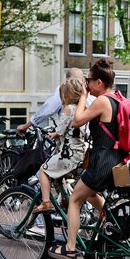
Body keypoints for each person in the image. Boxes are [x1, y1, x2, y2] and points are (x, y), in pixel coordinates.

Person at [48, 58, 125, 259]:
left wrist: (82, 96)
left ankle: (70, 249)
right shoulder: (117, 99)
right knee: (89, 194)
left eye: (89, 80)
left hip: (102, 162)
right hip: (114, 161)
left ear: (99, 83)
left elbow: (77, 120)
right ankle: (110, 221)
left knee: (74, 199)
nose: (87, 84)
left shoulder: (102, 101)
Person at [32, 78, 88, 214]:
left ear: (67, 95)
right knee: (57, 175)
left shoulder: (68, 108)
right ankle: (64, 199)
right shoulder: (83, 109)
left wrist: (54, 133)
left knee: (43, 171)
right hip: (80, 153)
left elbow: (61, 128)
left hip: (68, 154)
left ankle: (46, 202)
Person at [17, 67, 92, 133]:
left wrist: (26, 126)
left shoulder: (67, 91)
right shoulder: (87, 91)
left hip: (69, 141)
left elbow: (48, 110)